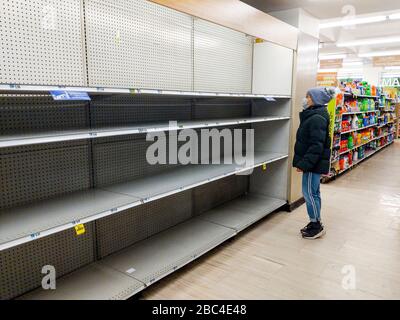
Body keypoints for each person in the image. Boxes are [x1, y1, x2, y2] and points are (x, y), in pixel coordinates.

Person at [293, 87, 335, 240]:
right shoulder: (315, 115)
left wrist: (304, 164)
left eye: (308, 97)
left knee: (309, 194)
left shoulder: (317, 117)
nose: (305, 99)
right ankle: (314, 221)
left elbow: (316, 146)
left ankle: (317, 226)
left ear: (316, 100)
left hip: (312, 164)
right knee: (314, 193)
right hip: (313, 163)